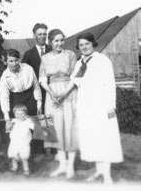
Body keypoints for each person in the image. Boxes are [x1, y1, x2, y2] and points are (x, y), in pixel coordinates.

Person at [56, 32, 123, 184]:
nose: (84, 47)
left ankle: (107, 175)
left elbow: (110, 84)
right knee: (92, 138)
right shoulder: (80, 63)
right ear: (78, 47)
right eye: (81, 45)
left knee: (105, 138)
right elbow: (74, 80)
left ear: (93, 43)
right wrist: (62, 95)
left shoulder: (102, 60)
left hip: (102, 105)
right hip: (86, 106)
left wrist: (111, 106)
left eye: (87, 43)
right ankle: (98, 171)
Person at [39, 29, 78, 179]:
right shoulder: (45, 57)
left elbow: (75, 78)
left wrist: (64, 93)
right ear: (50, 42)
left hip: (68, 93)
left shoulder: (70, 55)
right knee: (56, 129)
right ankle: (62, 165)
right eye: (56, 40)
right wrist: (51, 93)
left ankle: (70, 167)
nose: (59, 43)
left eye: (62, 40)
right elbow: (42, 79)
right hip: (52, 96)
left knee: (69, 127)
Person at [0, 48, 42, 154]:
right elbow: (4, 97)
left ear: (19, 59)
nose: (14, 63)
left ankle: (37, 151)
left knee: (35, 123)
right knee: (19, 125)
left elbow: (36, 86)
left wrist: (39, 104)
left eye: (16, 60)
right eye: (11, 61)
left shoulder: (28, 69)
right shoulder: (5, 76)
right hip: (15, 99)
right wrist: (6, 118)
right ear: (6, 61)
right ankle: (18, 152)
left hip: (30, 97)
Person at [22, 23, 52, 156]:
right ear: (34, 35)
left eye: (45, 34)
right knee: (39, 119)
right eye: (40, 34)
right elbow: (25, 74)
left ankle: (52, 148)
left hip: (52, 90)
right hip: (36, 92)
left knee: (50, 119)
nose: (43, 36)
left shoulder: (53, 50)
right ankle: (39, 149)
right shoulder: (29, 54)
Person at [6, 104, 35, 176]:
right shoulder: (14, 121)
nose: (19, 115)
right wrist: (9, 123)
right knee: (14, 156)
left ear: (25, 114)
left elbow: (34, 127)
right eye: (17, 114)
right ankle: (15, 167)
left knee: (24, 157)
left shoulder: (28, 121)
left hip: (24, 143)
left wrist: (30, 119)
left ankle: (26, 169)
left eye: (22, 114)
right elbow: (8, 130)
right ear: (14, 114)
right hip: (14, 142)